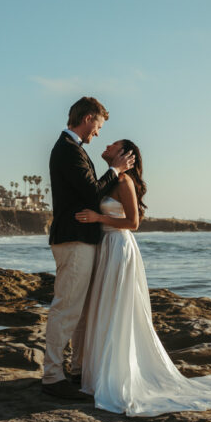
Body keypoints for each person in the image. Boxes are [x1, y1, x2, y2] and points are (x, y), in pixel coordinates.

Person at [75, 140, 211, 417]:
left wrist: (98, 217)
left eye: (114, 144)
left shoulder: (125, 183)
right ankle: (100, 375)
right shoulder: (108, 180)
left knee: (118, 310)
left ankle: (120, 376)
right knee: (103, 308)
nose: (107, 143)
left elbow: (133, 223)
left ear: (123, 154)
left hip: (120, 248)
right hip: (105, 248)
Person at [43, 97, 135, 400]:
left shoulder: (75, 150)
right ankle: (53, 376)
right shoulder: (67, 150)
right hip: (73, 239)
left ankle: (76, 369)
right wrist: (116, 169)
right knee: (66, 307)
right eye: (98, 126)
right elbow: (92, 191)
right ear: (88, 117)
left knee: (80, 310)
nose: (97, 133)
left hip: (84, 240)